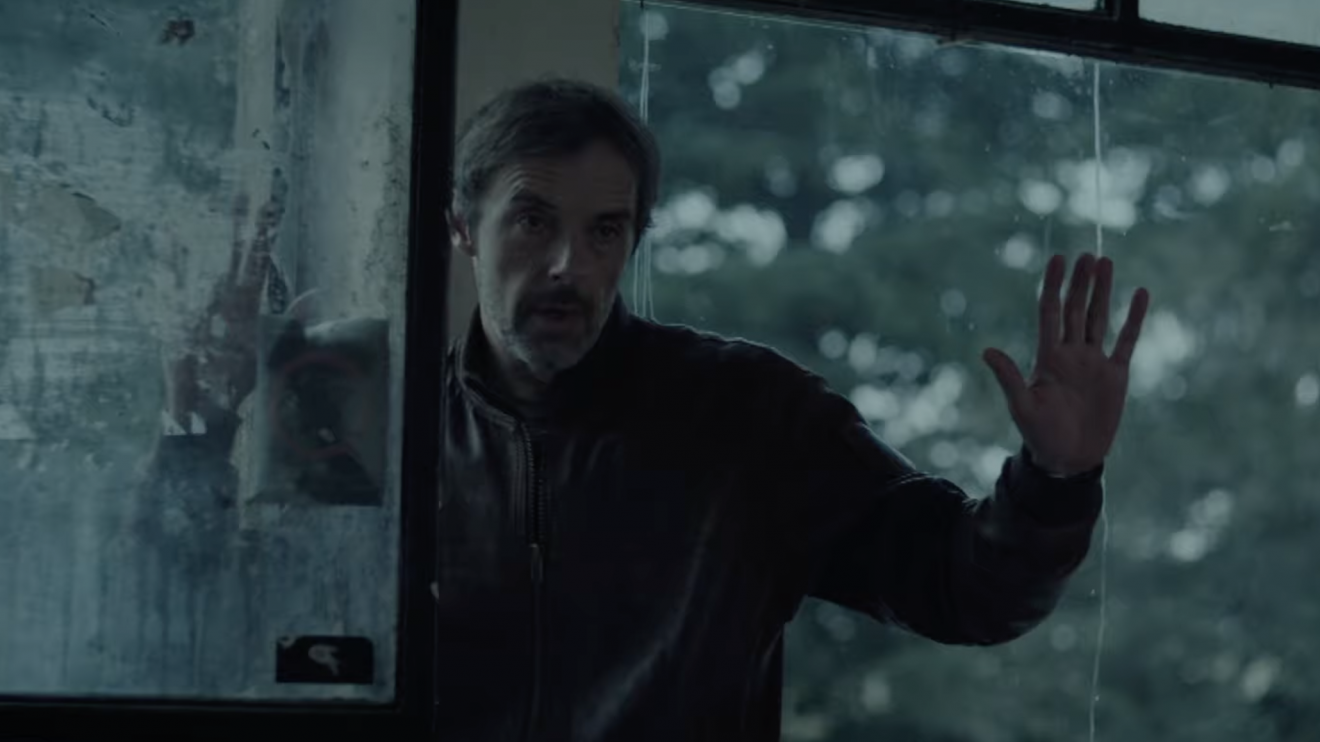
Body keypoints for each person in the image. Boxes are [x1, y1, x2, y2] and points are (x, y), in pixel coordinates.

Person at [437, 78, 1151, 740]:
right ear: (464, 226)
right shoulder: (405, 433)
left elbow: (962, 588)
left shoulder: (748, 415)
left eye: (604, 231)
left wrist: (1055, 478)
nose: (569, 264)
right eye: (533, 221)